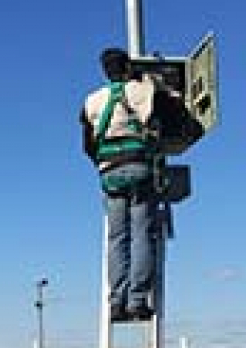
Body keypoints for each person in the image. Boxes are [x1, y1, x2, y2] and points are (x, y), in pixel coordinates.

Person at [80, 47, 162, 322]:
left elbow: (87, 144)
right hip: (139, 167)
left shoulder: (92, 100)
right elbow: (169, 115)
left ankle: (116, 302)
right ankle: (137, 301)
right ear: (127, 67)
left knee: (117, 239)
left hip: (109, 174)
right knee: (142, 233)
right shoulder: (142, 90)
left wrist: (104, 165)